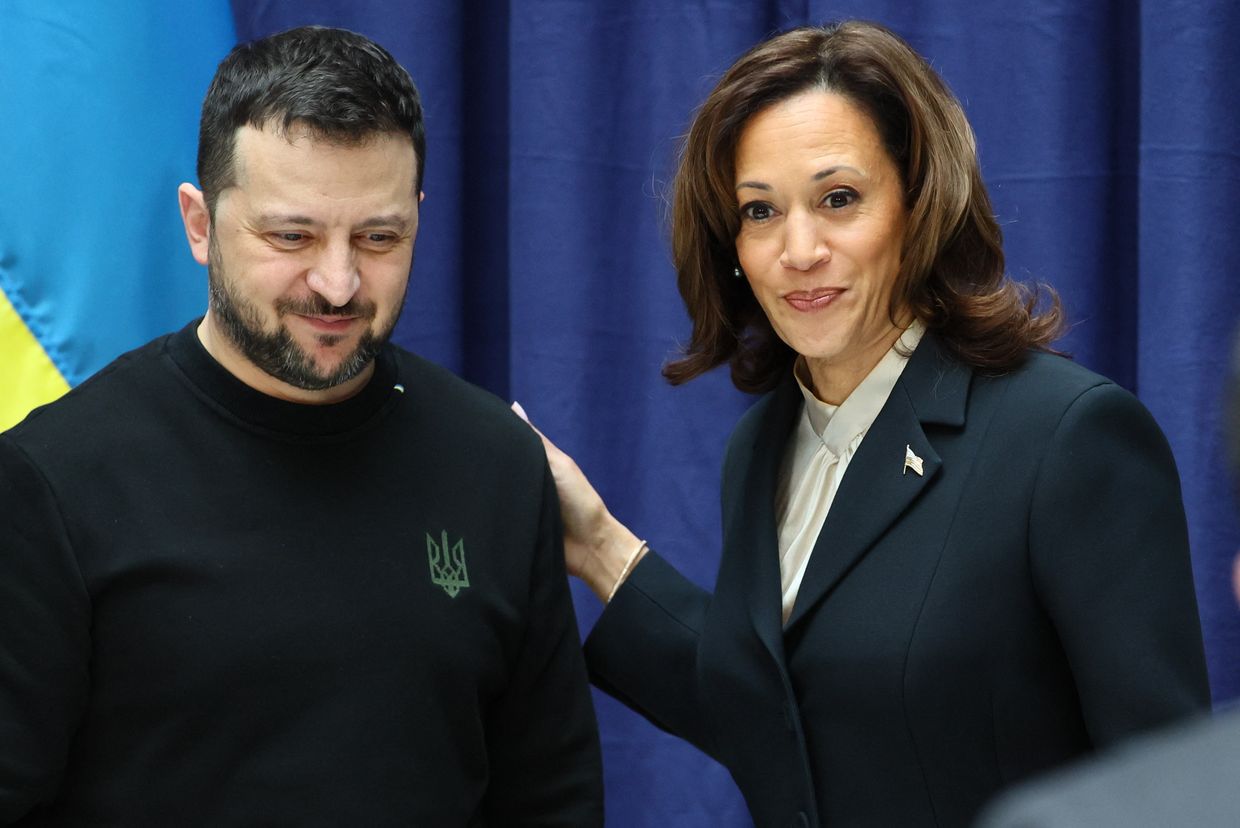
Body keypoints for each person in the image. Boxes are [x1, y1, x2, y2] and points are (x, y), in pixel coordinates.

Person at [518, 20, 1208, 828]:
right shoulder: (761, 446)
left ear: (918, 206)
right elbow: (785, 718)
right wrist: (598, 545)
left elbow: (1172, 791)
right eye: (760, 211)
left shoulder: (1066, 437)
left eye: (837, 199)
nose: (798, 249)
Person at [0, 26, 602, 826]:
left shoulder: (496, 464)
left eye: (379, 238)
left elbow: (550, 802)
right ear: (199, 223)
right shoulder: (51, 479)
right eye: (293, 236)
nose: (339, 281)